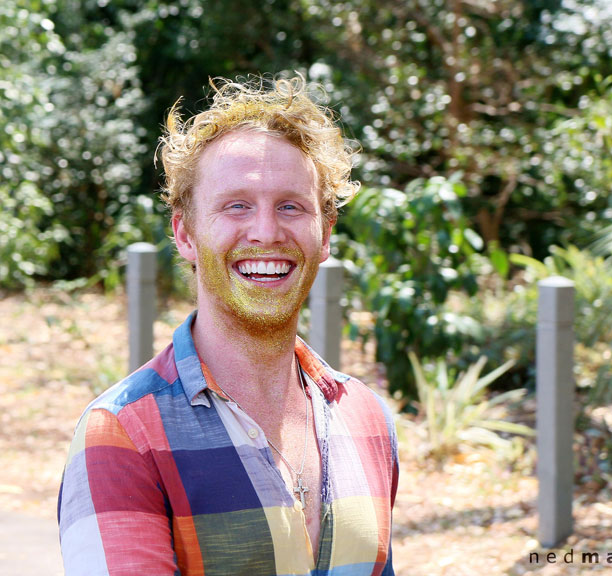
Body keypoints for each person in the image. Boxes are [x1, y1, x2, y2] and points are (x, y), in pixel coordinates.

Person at [57, 75, 399, 576]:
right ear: (186, 235)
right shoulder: (123, 434)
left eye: (291, 206)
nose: (266, 231)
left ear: (324, 235)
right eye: (236, 205)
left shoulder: (367, 419)